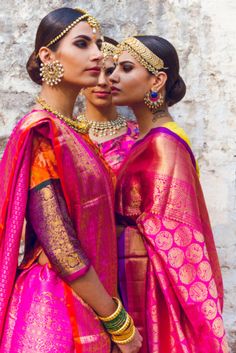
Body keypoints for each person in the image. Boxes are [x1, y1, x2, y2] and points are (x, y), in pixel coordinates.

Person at [0, 9, 142, 353]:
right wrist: (119, 323)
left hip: (89, 299)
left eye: (96, 43)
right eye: (82, 44)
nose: (97, 54)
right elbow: (61, 247)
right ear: (48, 56)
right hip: (53, 304)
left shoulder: (74, 132)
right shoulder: (43, 133)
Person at [109, 36, 229, 353]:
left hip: (151, 289)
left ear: (157, 80)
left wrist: (205, 322)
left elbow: (180, 239)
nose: (113, 77)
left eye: (126, 68)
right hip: (130, 277)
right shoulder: (143, 139)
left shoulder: (164, 145)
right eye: (113, 69)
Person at [78, 37, 139, 174]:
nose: (102, 82)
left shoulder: (139, 137)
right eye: (94, 71)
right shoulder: (65, 133)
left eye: (110, 72)